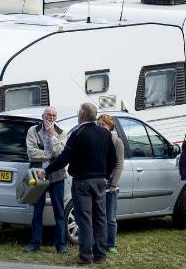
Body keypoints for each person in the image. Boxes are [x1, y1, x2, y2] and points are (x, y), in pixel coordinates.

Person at [40, 101, 116, 265]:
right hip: (100, 181)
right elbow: (113, 159)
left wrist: (46, 171)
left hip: (82, 182)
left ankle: (85, 256)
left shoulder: (78, 133)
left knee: (84, 219)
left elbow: (64, 158)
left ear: (81, 115)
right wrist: (106, 175)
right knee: (100, 218)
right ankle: (100, 255)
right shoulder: (105, 133)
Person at [25, 106, 67, 253]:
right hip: (37, 175)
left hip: (56, 176)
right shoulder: (33, 131)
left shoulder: (61, 133)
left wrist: (51, 135)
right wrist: (50, 154)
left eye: (54, 115)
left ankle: (61, 245)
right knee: (37, 211)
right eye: (48, 115)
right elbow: (31, 153)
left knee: (59, 212)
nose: (51, 118)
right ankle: (35, 243)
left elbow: (60, 153)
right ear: (42, 116)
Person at [97, 115, 125, 254]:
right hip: (97, 181)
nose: (100, 127)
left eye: (103, 124)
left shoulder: (117, 141)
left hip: (110, 183)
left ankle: (111, 244)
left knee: (111, 217)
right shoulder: (96, 140)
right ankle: (98, 243)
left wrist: (114, 184)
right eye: (99, 124)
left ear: (110, 126)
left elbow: (119, 164)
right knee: (98, 215)